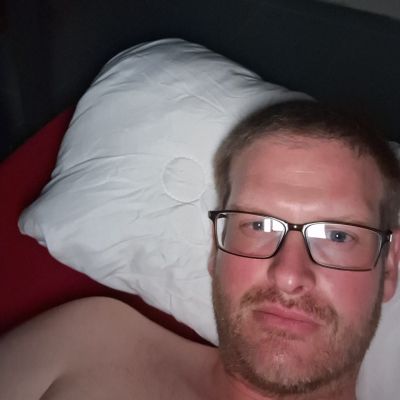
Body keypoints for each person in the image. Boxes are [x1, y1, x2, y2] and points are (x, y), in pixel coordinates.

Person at [0, 100, 399, 400]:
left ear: (389, 267)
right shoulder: (88, 341)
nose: (289, 274)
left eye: (337, 236)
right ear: (215, 250)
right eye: (257, 225)